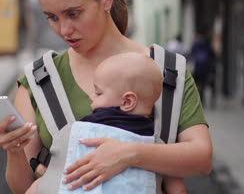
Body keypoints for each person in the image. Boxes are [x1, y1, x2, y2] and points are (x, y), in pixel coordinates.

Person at [0, 0, 212, 194]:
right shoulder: (38, 81)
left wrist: (129, 153)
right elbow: (23, 189)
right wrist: (13, 151)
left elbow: (202, 158)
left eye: (73, 14)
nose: (64, 30)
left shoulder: (168, 71)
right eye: (52, 17)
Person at [25, 52, 186, 194]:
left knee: (38, 186)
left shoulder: (89, 125)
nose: (92, 97)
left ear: (127, 101)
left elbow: (64, 167)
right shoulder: (156, 142)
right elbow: (178, 189)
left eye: (98, 93)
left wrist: (38, 168)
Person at [190, 32, 215, 106]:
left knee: (198, 84)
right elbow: (212, 54)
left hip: (197, 68)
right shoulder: (207, 44)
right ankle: (203, 100)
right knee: (204, 84)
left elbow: (192, 53)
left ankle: (199, 99)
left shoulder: (196, 43)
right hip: (205, 68)